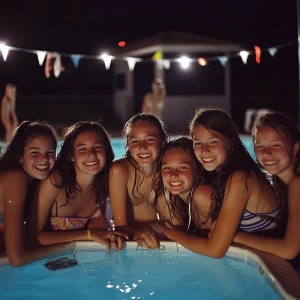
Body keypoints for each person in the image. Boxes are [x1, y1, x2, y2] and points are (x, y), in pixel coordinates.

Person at [151, 107, 280, 258]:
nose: (204, 150)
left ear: (230, 142)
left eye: (213, 142)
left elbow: (214, 250)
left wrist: (166, 231)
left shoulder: (240, 178)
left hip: (268, 261)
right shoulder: (223, 175)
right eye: (198, 143)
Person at [35, 121, 127, 252]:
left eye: (98, 147)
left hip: (72, 256)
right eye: (83, 149)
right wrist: (88, 235)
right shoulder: (56, 182)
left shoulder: (102, 185)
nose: (92, 154)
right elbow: (34, 238)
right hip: (46, 257)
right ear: (71, 155)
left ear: (106, 152)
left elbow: (99, 226)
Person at [0, 121, 74, 267]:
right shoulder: (15, 179)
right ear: (20, 156)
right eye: (35, 152)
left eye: (50, 152)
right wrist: (69, 247)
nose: (44, 159)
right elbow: (17, 259)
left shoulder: (33, 184)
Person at [233, 112, 300, 262]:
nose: (266, 153)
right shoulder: (281, 182)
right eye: (259, 146)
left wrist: (235, 235)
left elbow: (288, 250)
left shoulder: (297, 183)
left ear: (296, 147)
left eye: (276, 145)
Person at [109, 113, 168, 249]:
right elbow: (120, 226)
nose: (142, 146)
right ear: (128, 145)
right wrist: (138, 234)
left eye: (150, 140)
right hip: (132, 238)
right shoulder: (120, 171)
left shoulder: (168, 170)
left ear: (162, 141)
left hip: (163, 237)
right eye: (135, 141)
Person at [152, 137, 214, 238]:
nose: (173, 175)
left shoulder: (202, 194)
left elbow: (215, 246)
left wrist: (166, 231)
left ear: (197, 168)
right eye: (167, 168)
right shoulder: (168, 197)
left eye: (182, 167)